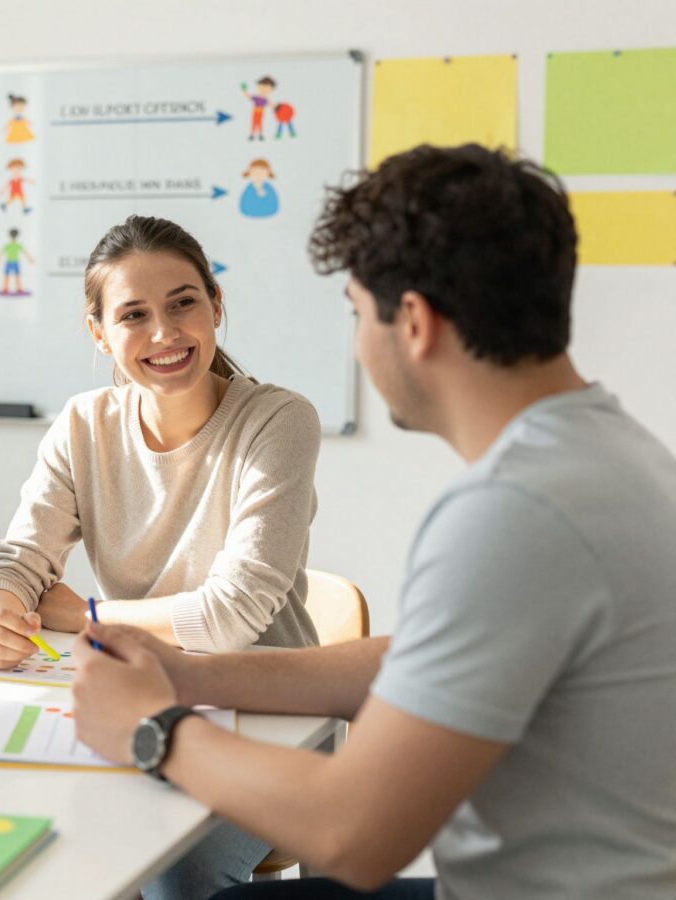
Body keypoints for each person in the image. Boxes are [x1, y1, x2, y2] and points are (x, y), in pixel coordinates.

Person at [70, 145, 676, 900]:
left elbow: (353, 836)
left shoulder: (514, 514)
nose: (358, 344)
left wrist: (154, 728)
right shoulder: (605, 452)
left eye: (358, 314)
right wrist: (192, 673)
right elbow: (418, 658)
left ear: (413, 323)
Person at [0, 214, 321, 897]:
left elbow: (231, 617)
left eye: (183, 303)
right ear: (99, 332)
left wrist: (91, 614)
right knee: (29, 842)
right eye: (133, 314)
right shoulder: (83, 424)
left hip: (273, 721)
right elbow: (20, 554)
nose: (164, 333)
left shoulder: (279, 421)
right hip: (141, 706)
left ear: (216, 307)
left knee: (173, 873)